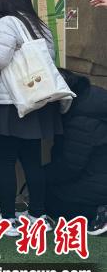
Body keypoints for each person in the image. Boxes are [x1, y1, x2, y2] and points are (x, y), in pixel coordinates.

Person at [0, 0, 61, 235]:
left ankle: (7, 219)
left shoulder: (6, 22)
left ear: (3, 4)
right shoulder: (41, 26)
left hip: (10, 103)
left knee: (5, 160)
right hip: (37, 100)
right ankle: (37, 215)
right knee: (32, 160)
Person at [44, 70, 107, 236]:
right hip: (97, 174)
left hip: (97, 182)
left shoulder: (80, 120)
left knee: (50, 200)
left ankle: (97, 213)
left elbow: (70, 166)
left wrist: (39, 176)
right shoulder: (93, 99)